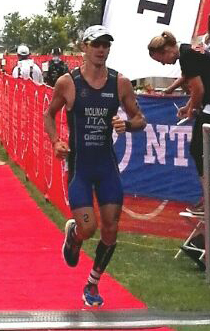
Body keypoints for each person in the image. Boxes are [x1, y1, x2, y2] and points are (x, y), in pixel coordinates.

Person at [44, 25, 146, 307]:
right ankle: (74, 236)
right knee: (88, 228)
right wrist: (55, 141)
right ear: (84, 48)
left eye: (106, 44)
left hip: (106, 166)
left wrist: (125, 124)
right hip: (80, 167)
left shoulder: (120, 83)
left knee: (111, 228)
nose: (101, 49)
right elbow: (49, 114)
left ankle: (92, 284)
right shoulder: (68, 82)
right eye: (96, 44)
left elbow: (140, 119)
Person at [148, 31, 210, 214]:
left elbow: (198, 88)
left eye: (161, 59)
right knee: (202, 150)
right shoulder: (190, 51)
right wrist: (190, 106)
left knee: (199, 149)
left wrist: (190, 110)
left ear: (167, 50)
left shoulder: (187, 56)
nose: (164, 63)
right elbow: (200, 81)